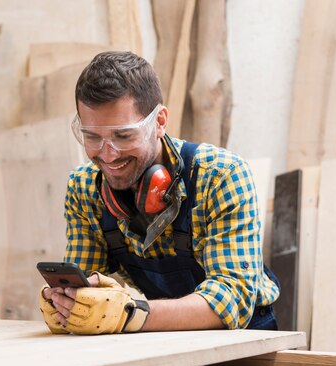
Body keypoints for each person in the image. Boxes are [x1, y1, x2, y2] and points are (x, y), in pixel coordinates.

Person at [39, 51, 280, 335]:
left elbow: (232, 299)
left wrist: (132, 314)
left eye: (123, 135)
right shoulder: (85, 189)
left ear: (160, 121)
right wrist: (68, 304)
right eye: (92, 136)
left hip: (241, 341)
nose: (107, 155)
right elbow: (84, 284)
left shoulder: (220, 176)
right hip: (159, 336)